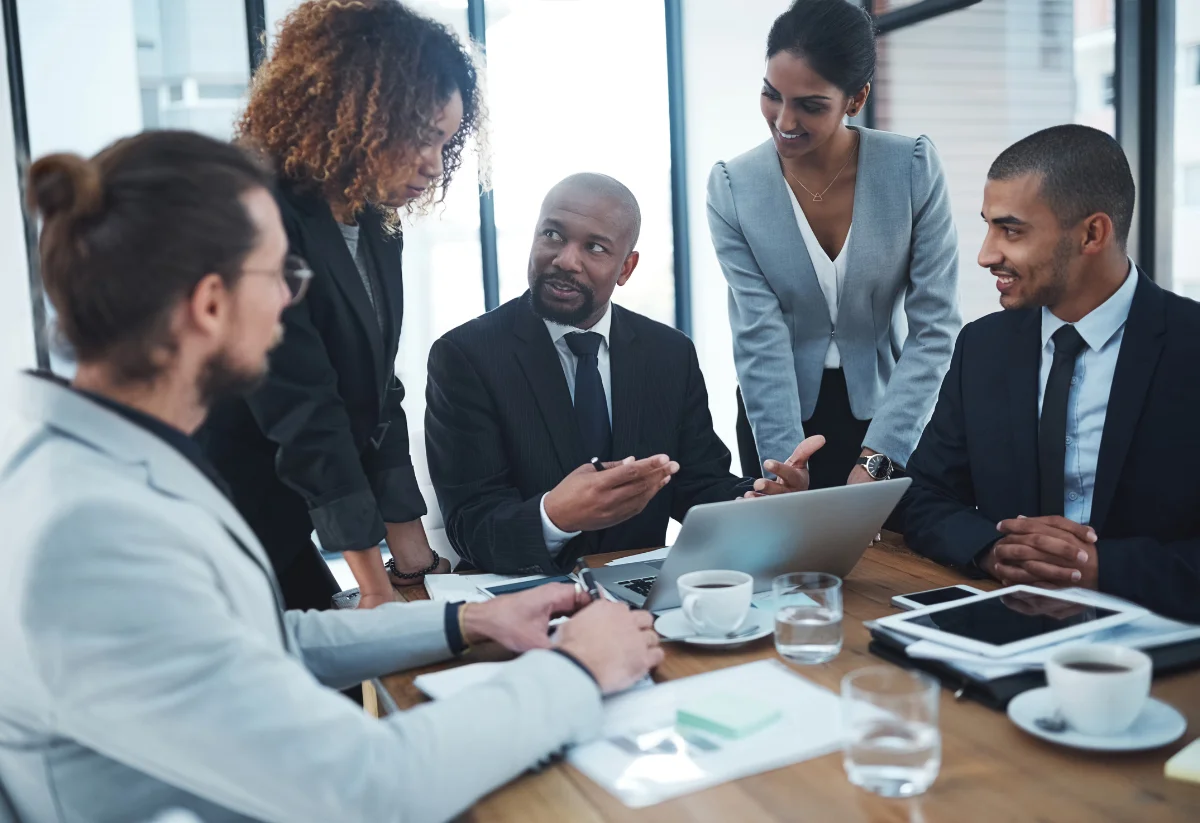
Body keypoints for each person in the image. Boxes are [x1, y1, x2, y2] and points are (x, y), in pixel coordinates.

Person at [0, 131, 663, 823]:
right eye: (281, 275)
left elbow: (260, 641)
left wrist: (467, 618)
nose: (294, 301)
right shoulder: (88, 532)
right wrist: (578, 671)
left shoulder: (102, 462)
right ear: (210, 305)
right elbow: (368, 786)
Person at [198, 0, 483, 610]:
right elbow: (307, 413)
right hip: (220, 516)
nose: (435, 165)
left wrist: (412, 559)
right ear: (359, 112)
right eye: (423, 137)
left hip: (285, 518)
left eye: (447, 143)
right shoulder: (260, 214)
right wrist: (377, 592)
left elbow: (377, 392)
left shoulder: (377, 219)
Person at [425, 174, 824, 575]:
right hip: (521, 592)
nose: (565, 260)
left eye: (594, 247)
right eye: (552, 235)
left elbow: (700, 483)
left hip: (640, 589)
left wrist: (760, 501)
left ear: (626, 268)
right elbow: (470, 524)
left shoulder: (669, 353)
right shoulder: (465, 356)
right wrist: (555, 516)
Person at [902, 124, 1200, 622]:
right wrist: (995, 551)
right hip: (1007, 627)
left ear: (1092, 233)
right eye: (988, 226)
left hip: (1161, 640)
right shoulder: (982, 347)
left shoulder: (1192, 348)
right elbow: (924, 497)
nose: (986, 254)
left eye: (1012, 230)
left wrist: (1099, 567)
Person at [707, 0, 960, 490]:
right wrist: (784, 462)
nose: (783, 120)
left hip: (891, 415)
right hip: (779, 419)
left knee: (890, 562)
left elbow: (936, 326)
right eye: (771, 94)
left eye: (810, 105)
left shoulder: (910, 169)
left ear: (856, 98)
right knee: (788, 555)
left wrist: (879, 456)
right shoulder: (733, 188)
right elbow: (759, 334)